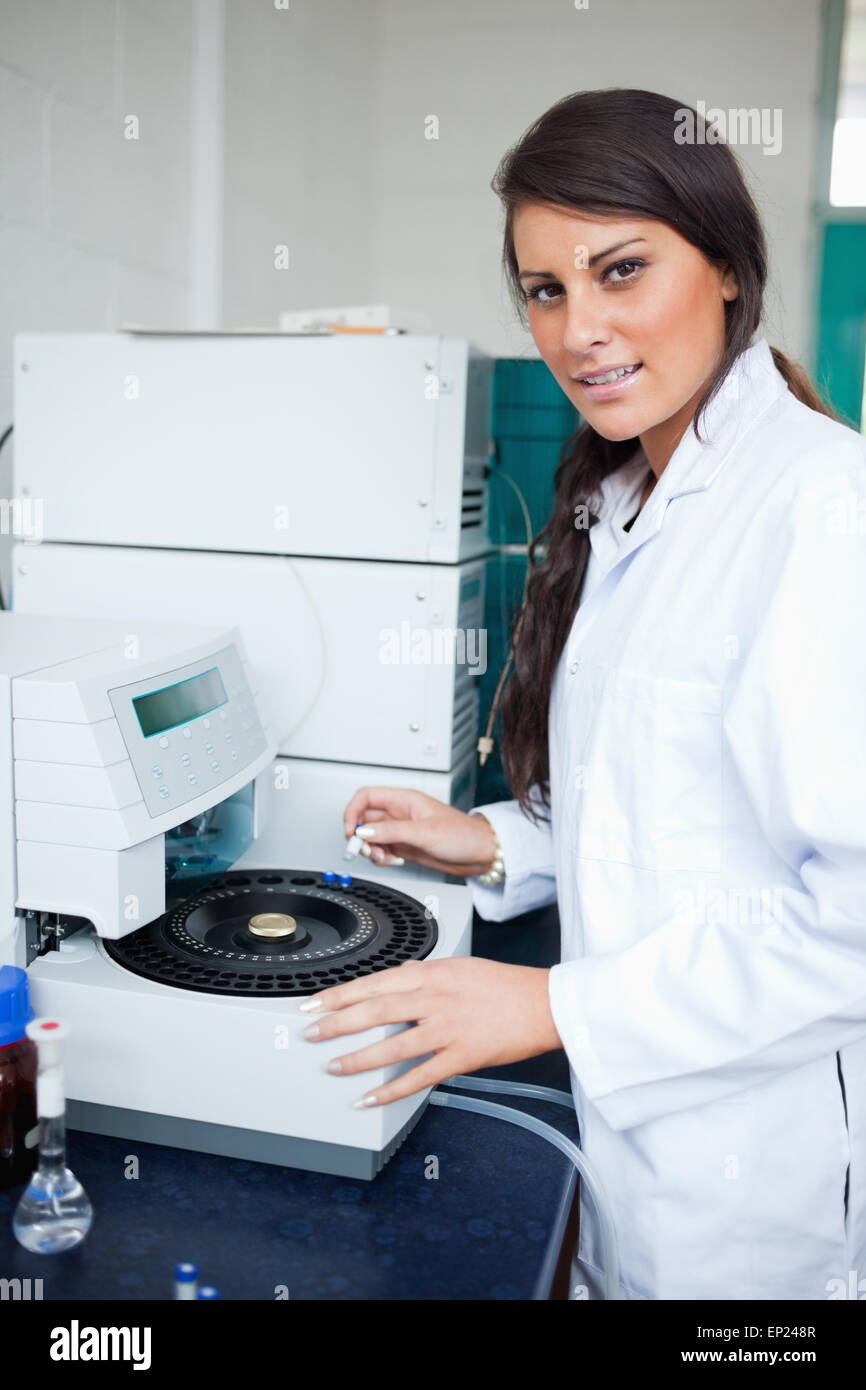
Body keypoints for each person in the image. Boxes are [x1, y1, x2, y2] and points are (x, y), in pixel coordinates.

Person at [299, 89, 866, 1301]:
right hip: (633, 1167)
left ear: (724, 263)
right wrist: (493, 839)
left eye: (620, 270)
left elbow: (852, 919)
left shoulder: (824, 509)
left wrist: (552, 1002)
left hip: (757, 1204)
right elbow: (671, 820)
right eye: (545, 290)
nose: (578, 330)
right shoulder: (626, 507)